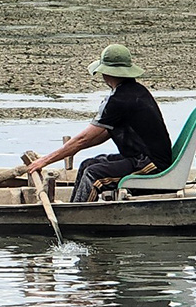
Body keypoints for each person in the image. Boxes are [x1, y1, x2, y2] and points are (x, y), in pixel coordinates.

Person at [27, 43, 173, 203]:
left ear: (106, 73)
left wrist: (45, 161)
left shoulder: (120, 100)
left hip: (151, 163)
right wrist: (72, 150)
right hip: (139, 158)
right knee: (86, 165)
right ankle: (73, 206)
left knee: (93, 175)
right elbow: (102, 133)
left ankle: (75, 217)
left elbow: (84, 138)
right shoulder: (134, 91)